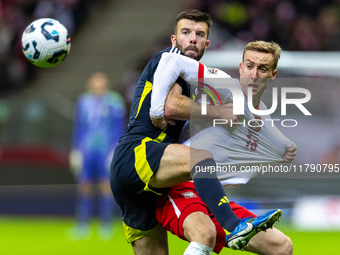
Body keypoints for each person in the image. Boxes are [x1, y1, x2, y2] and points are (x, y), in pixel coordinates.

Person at [110, 10, 281, 255]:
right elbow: (169, 106)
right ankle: (234, 226)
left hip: (148, 179)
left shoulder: (194, 82)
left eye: (199, 34)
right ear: (173, 40)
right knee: (200, 158)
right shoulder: (167, 61)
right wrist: (220, 112)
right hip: (137, 153)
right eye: (186, 32)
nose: (192, 39)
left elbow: (188, 131)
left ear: (207, 43)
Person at [151, 41, 296, 254]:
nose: (254, 74)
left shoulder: (263, 114)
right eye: (249, 66)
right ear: (240, 68)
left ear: (273, 75)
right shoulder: (225, 87)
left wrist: (285, 148)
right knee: (204, 234)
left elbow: (263, 149)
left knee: (282, 246)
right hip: (178, 184)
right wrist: (157, 111)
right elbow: (173, 62)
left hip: (211, 192)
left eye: (262, 69)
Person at [69, 72, 126, 240]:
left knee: (105, 185)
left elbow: (118, 128)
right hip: (86, 149)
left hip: (105, 149)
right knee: (84, 185)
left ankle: (106, 224)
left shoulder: (114, 102)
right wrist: (75, 149)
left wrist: (115, 149)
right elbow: (79, 127)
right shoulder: (83, 101)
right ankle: (82, 224)